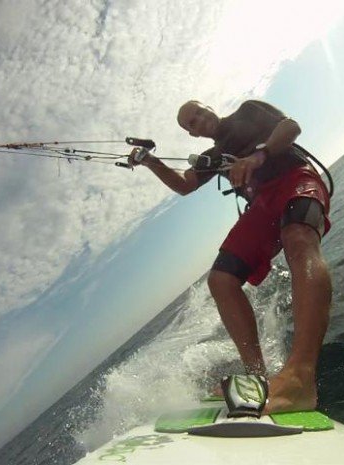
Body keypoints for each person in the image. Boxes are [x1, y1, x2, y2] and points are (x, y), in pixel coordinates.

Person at [129, 100, 332, 414]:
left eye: (198, 113)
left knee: (299, 238)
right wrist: (149, 161)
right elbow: (184, 185)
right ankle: (258, 377)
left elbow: (290, 127)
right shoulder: (211, 157)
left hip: (297, 179)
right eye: (191, 124)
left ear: (209, 107)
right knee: (220, 280)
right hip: (262, 205)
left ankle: (301, 377)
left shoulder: (248, 112)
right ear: (192, 135)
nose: (199, 121)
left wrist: (258, 155)